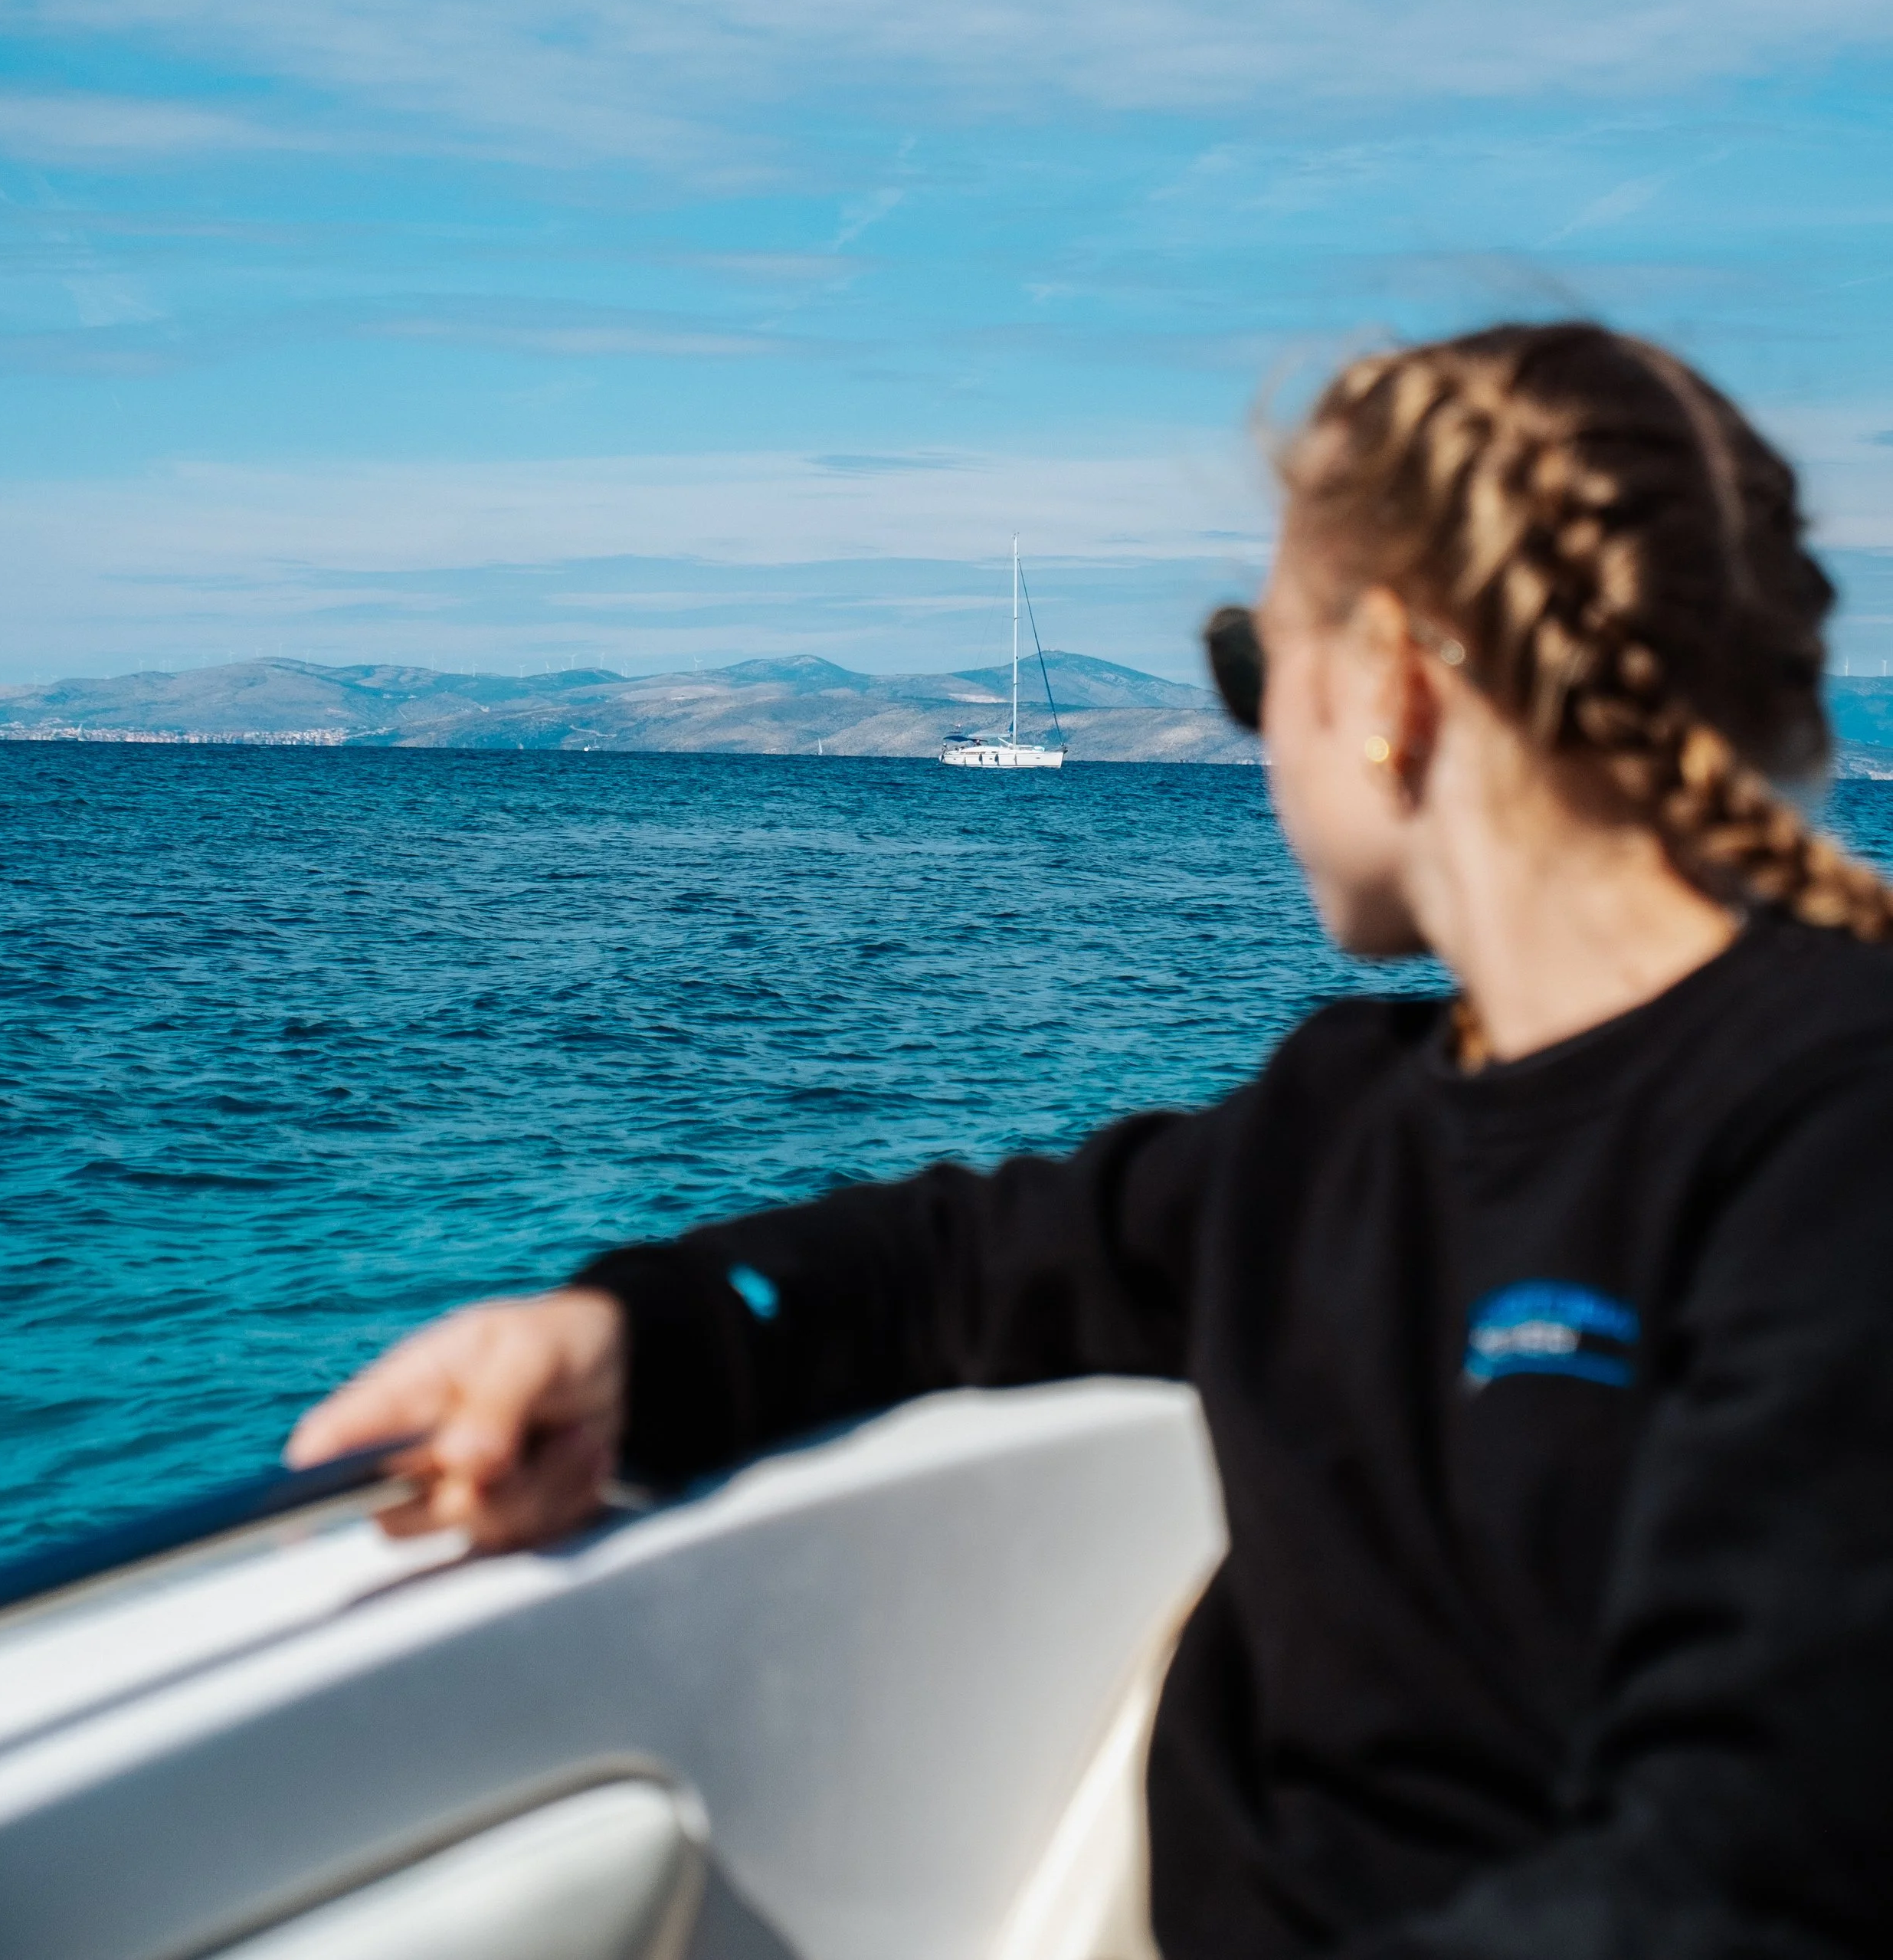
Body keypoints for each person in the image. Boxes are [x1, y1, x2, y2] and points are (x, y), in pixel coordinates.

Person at [290, 322, 1893, 1958]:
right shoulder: (1340, 1124)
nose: (1249, 733)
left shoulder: (1833, 1135)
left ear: (1394, 688)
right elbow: (961, 1263)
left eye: (1248, 669)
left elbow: (1743, 1875)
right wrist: (624, 1334)